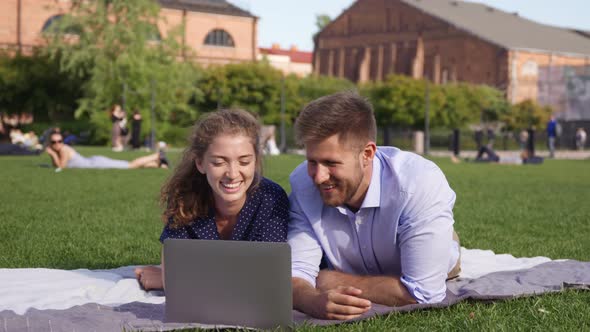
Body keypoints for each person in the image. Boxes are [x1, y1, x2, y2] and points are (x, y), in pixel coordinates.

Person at [288, 92, 461, 320]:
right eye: (312, 161)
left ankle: (449, 241)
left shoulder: (418, 183)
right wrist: (311, 301)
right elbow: (295, 274)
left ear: (367, 154)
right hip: (365, 264)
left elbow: (425, 293)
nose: (319, 177)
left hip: (431, 255)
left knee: (442, 253)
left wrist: (328, 280)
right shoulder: (303, 183)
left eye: (331, 163)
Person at [134, 109, 289, 291]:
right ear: (200, 163)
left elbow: (266, 277)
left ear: (256, 161)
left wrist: (170, 279)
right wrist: (171, 278)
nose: (232, 174)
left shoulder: (270, 198)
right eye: (218, 162)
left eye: (244, 162)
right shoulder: (185, 196)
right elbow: (175, 277)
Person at [44, 130, 169, 170]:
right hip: (94, 162)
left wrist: (52, 154)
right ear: (51, 142)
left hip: (97, 163)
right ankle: (158, 164)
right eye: (54, 142)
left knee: (129, 165)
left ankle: (157, 155)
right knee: (130, 166)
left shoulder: (64, 149)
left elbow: (61, 167)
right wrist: (53, 155)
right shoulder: (59, 150)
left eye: (59, 141)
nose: (57, 144)